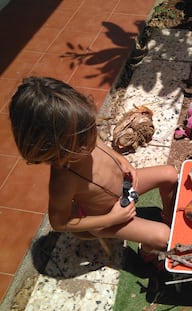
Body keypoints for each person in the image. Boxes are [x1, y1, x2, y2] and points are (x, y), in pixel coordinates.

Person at [9, 76, 178, 258]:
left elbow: (100, 145)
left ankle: (169, 216)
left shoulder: (81, 135)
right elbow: (59, 223)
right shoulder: (63, 181)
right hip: (108, 216)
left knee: (169, 173)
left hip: (125, 188)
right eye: (83, 138)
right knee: (162, 236)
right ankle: (148, 255)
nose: (92, 138)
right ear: (53, 148)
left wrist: (122, 161)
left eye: (91, 128)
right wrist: (112, 218)